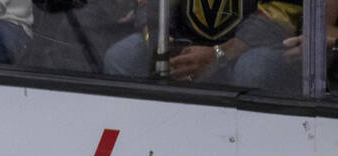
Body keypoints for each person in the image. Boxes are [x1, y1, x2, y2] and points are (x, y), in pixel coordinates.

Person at [102, 0, 301, 90]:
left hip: (245, 51)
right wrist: (157, 41)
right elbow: (150, 6)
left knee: (254, 68)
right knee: (123, 57)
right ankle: (138, 144)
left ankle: (255, 150)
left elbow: (281, 17)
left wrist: (219, 55)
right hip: (186, 45)